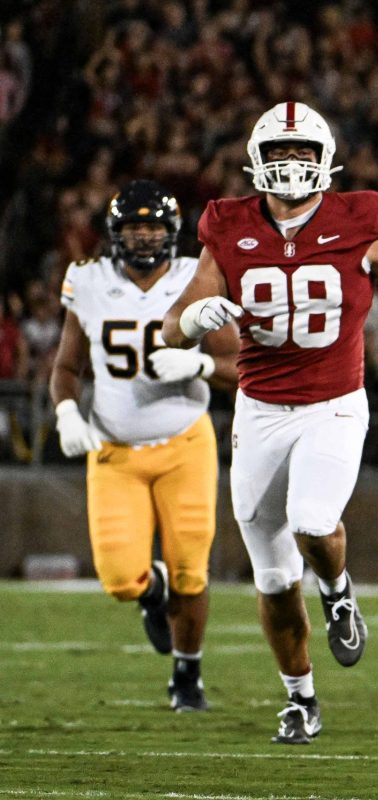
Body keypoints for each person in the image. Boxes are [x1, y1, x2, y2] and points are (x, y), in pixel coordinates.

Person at [161, 102, 378, 744]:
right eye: (278, 152)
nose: (290, 163)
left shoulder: (361, 219)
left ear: (325, 159)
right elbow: (173, 325)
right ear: (256, 161)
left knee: (311, 519)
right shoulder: (227, 225)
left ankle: (337, 589)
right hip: (258, 411)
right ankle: (300, 699)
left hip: (333, 405)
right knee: (275, 579)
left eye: (301, 152)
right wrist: (193, 320)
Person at [49, 180, 239, 712]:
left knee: (191, 571)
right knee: (120, 579)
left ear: (171, 232)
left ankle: (187, 673)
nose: (144, 236)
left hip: (184, 443)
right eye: (133, 227)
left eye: (153, 226)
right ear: (115, 233)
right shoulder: (88, 281)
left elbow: (241, 367)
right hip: (114, 451)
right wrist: (66, 412)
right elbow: (66, 366)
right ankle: (152, 593)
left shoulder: (194, 278)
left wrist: (199, 363)